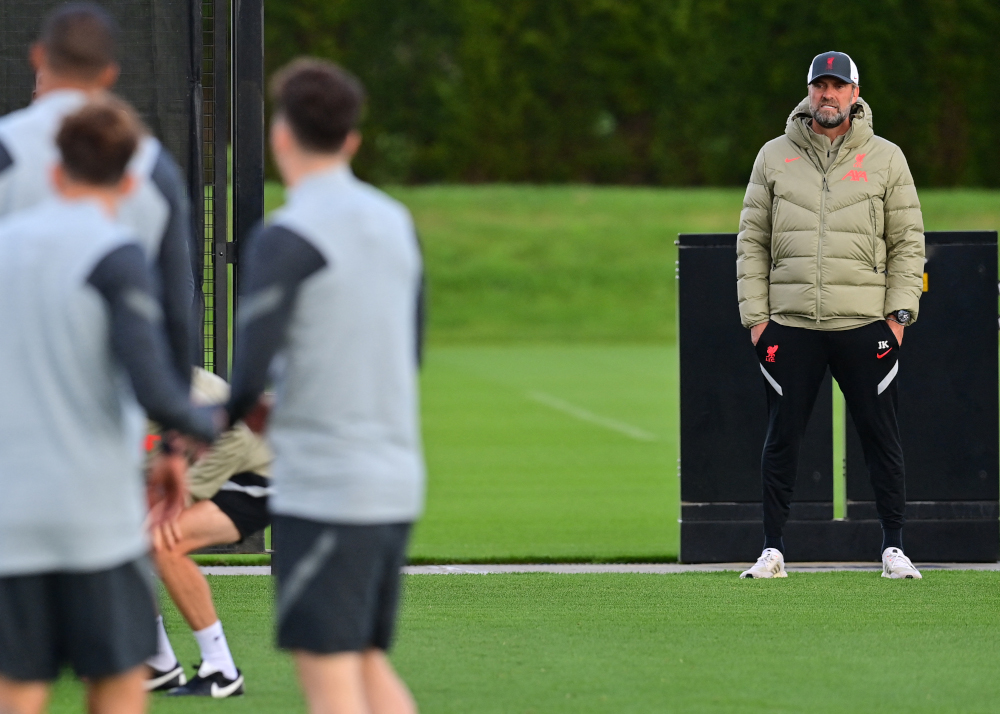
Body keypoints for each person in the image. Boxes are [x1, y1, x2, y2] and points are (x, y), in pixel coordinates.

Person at [0, 99, 219, 714]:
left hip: (12, 506)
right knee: (121, 680)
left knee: (17, 686)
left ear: (53, 171)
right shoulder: (118, 257)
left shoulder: (6, 244)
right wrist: (207, 426)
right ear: (128, 182)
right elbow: (157, 388)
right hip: (94, 510)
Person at [225, 59, 425, 714]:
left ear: (280, 135)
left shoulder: (286, 234)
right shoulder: (395, 220)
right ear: (352, 140)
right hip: (395, 479)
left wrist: (199, 433)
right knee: (366, 663)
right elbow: (409, 350)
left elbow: (245, 381)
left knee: (331, 680)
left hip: (328, 489)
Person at [736, 51, 925, 579]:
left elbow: (908, 241)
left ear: (855, 95)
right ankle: (773, 550)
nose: (827, 95)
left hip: (864, 323)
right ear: (809, 93)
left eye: (837, 86)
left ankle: (893, 548)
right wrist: (757, 319)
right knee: (782, 439)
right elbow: (751, 240)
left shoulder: (887, 158)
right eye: (820, 86)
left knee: (881, 437)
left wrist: (899, 316)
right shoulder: (774, 156)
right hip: (791, 324)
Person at [0, 2, 197, 385]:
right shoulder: (154, 166)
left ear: (39, 56)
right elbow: (177, 301)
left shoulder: (7, 148)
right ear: (109, 73)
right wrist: (177, 406)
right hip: (115, 400)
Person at [145, 369, 273, 697]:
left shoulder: (159, 378)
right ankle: (156, 662)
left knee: (162, 543)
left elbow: (235, 435)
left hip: (256, 470)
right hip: (206, 460)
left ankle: (221, 670)